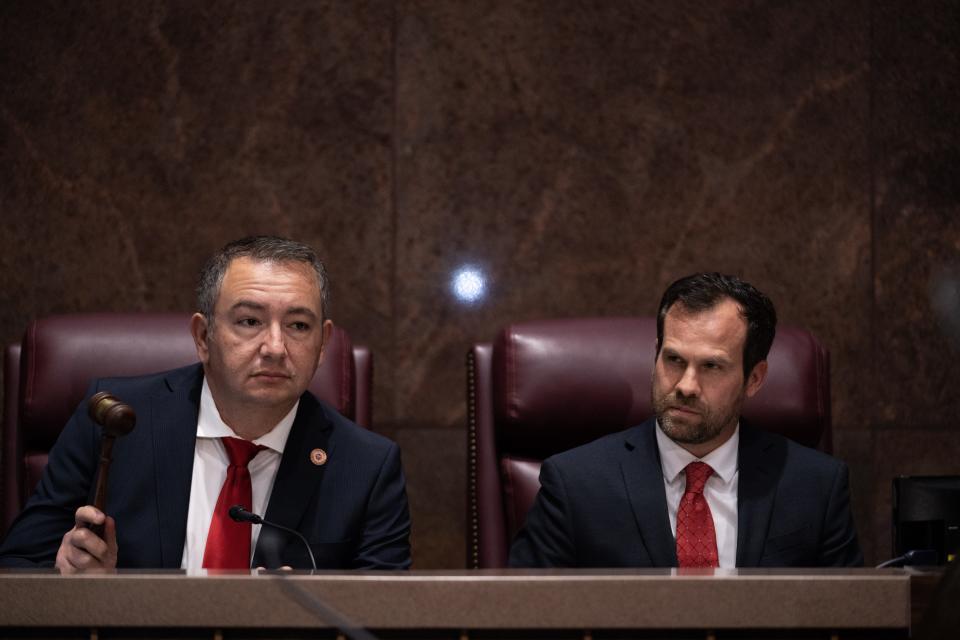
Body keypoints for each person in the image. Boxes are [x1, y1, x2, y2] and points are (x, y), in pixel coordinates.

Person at [0, 236, 411, 571]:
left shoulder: (368, 466)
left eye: (298, 326)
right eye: (249, 321)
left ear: (322, 344)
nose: (274, 347)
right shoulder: (113, 421)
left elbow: (385, 619)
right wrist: (73, 579)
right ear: (202, 337)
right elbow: (18, 566)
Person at [509, 273, 863, 568]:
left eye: (711, 367)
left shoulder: (815, 487)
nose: (686, 386)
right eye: (674, 360)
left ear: (754, 379)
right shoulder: (575, 485)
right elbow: (523, 622)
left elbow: (851, 623)